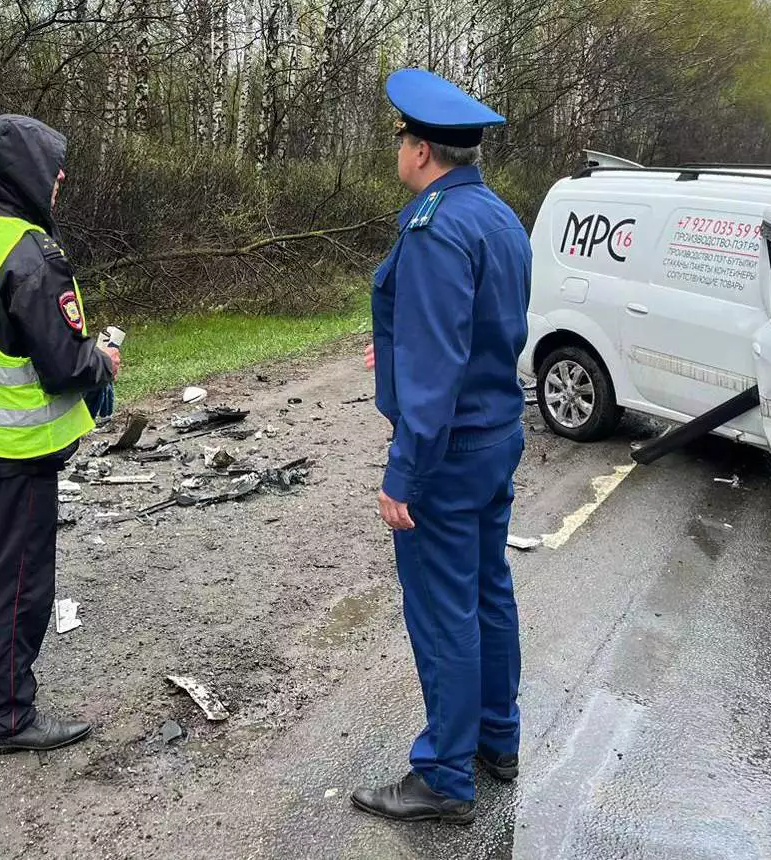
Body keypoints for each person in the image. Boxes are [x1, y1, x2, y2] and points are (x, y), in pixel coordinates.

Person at [350, 69, 532, 824]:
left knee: (443, 610)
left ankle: (445, 777)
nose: (398, 152)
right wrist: (394, 350)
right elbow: (477, 330)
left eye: (401, 140)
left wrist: (403, 474)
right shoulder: (497, 215)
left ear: (421, 150)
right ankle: (498, 739)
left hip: (447, 452)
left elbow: (437, 368)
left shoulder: (434, 228)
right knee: (488, 591)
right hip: (495, 437)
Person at [0, 114, 118, 756]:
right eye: (52, 162)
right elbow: (63, 365)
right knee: (21, 581)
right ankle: (9, 716)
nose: (60, 175)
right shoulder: (32, 255)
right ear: (25, 172)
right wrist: (104, 362)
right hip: (20, 448)